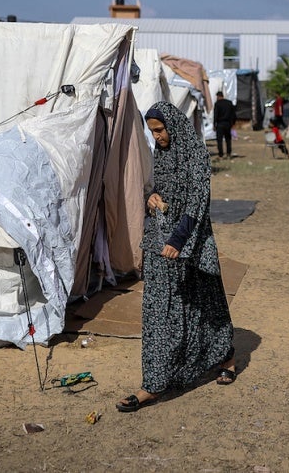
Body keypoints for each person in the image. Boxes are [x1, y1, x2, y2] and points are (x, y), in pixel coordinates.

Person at [116, 101, 236, 412]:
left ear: (173, 126)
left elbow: (198, 199)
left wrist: (179, 240)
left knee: (206, 301)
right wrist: (150, 197)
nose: (156, 136)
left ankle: (226, 356)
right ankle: (153, 384)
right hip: (160, 240)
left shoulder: (195, 152)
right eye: (152, 131)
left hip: (188, 242)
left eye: (159, 130)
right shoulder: (163, 153)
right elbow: (162, 190)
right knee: (160, 310)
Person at [213, 90, 237, 159]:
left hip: (220, 124)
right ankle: (228, 153)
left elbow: (215, 115)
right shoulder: (229, 103)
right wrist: (233, 123)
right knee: (228, 139)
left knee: (219, 140)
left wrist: (214, 124)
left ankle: (221, 154)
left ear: (218, 96)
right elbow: (233, 114)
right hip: (228, 124)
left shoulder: (217, 104)